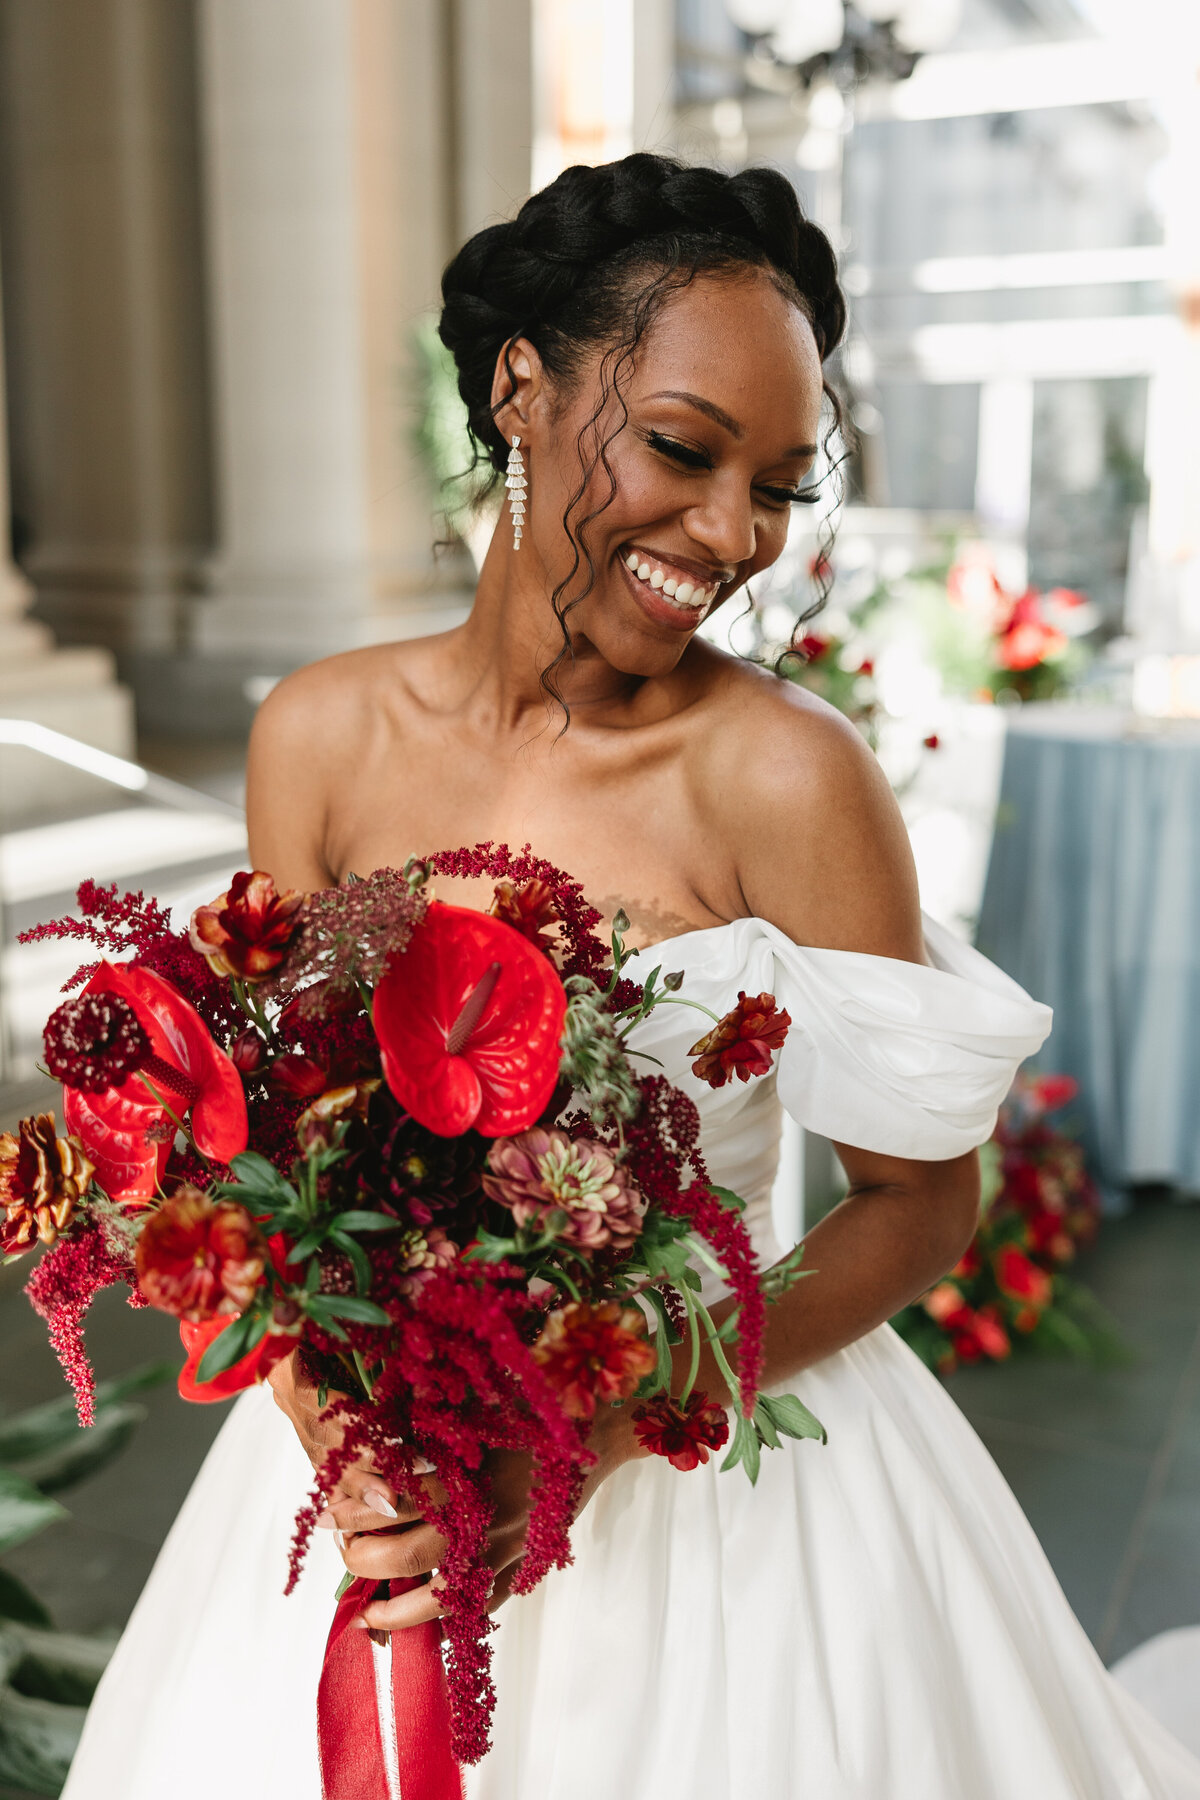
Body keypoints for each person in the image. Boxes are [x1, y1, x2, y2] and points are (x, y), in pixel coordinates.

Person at [62, 154, 1200, 1799]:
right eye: (683, 448)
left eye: (780, 485)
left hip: (718, 1508)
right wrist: (337, 1436)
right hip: (368, 1506)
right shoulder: (312, 736)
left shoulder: (789, 781)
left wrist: (600, 1426)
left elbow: (918, 1203)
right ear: (522, 387)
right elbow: (255, 1164)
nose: (734, 533)